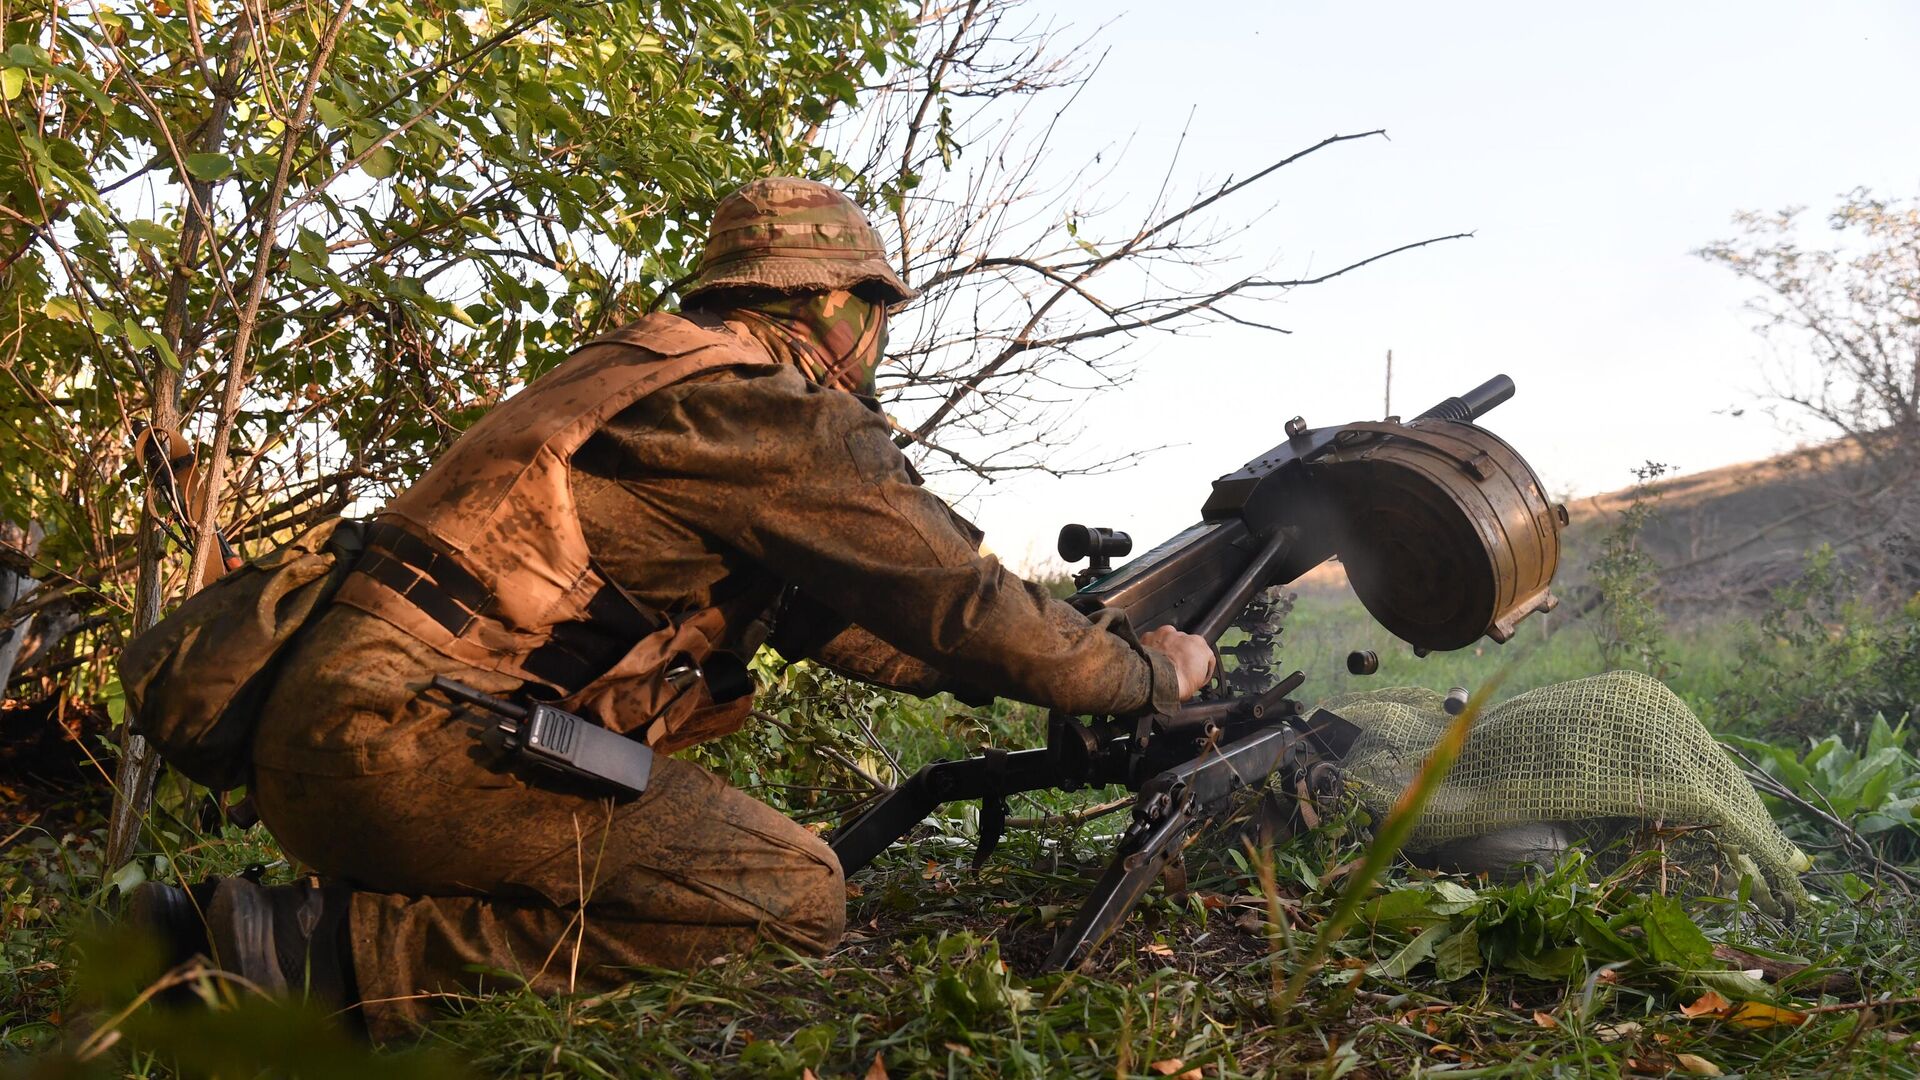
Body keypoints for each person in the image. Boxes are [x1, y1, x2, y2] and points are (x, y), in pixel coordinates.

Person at [137, 177, 1214, 1039]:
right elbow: (961, 600)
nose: (878, 338)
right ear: (832, 306)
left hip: (323, 736)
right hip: (408, 747)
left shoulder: (648, 376)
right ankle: (282, 959)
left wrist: (1003, 658)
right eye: (876, 309)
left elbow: (865, 623)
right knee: (791, 893)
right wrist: (1147, 671)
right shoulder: (768, 413)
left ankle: (295, 933)